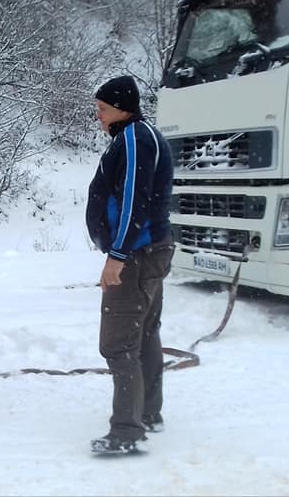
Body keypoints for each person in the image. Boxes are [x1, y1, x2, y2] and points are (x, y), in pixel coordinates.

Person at [85, 75, 175, 454]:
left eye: (103, 110)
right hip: (147, 252)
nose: (99, 117)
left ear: (123, 108)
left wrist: (117, 256)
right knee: (144, 334)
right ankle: (148, 413)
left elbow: (133, 202)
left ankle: (126, 431)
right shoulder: (137, 137)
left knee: (119, 345)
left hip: (136, 256)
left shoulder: (136, 139)